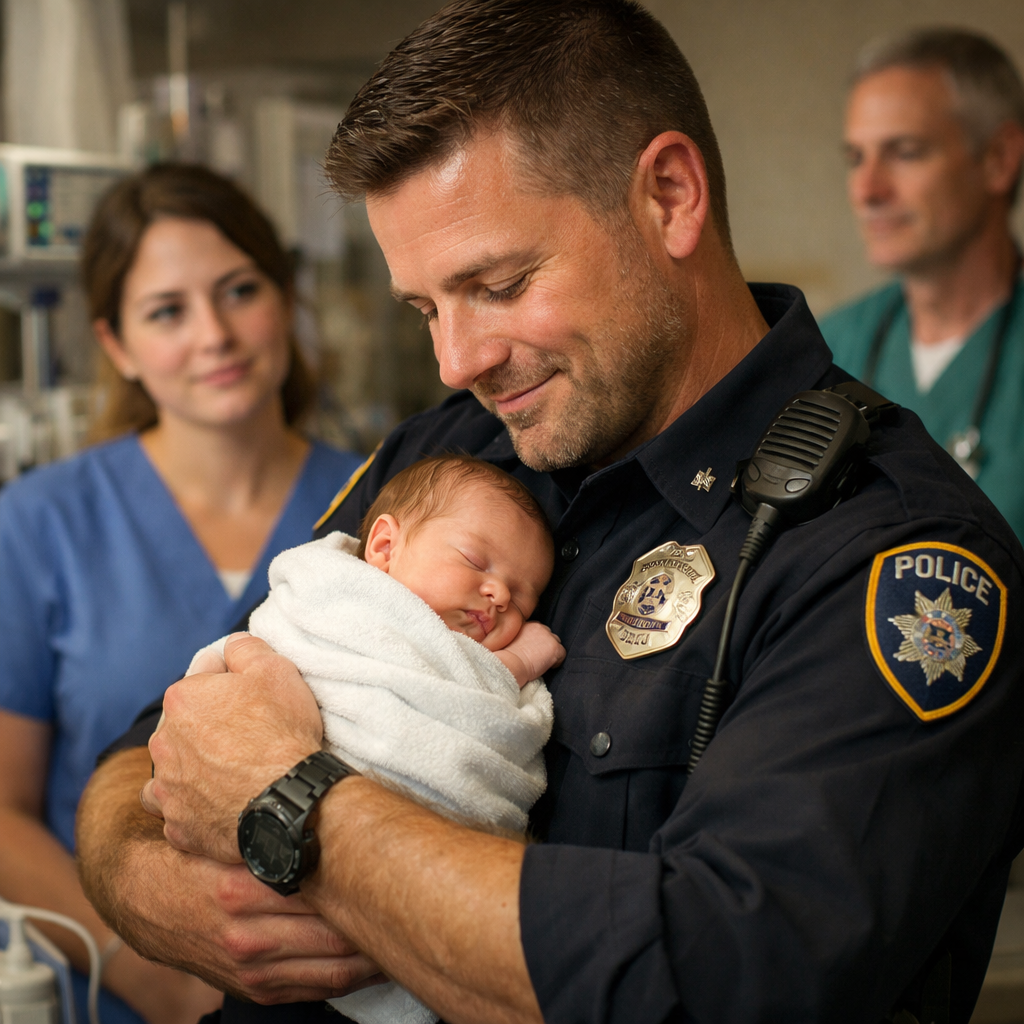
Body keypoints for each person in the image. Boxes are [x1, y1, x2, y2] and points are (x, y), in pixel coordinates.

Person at [77, 4, 1024, 1023]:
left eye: (498, 284)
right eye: (425, 309)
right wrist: (162, 889)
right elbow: (155, 746)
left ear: (669, 196)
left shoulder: (892, 556)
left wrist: (293, 810)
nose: (457, 360)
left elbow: (717, 974)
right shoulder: (450, 450)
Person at [0, 164, 362, 1024]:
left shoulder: (380, 507)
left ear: (285, 297)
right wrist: (150, 973)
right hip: (114, 994)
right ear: (118, 345)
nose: (215, 335)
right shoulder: (37, 525)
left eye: (239, 291)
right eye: (167, 311)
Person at [189, 455, 562, 1024]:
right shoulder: (330, 601)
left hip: (413, 880)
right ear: (385, 548)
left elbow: (473, 705)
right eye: (475, 562)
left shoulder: (463, 654)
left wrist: (507, 666)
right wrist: (523, 658)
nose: (500, 596)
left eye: (523, 597)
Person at [820, 29, 1024, 540]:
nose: (868, 190)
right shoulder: (827, 346)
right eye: (856, 158)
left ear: (999, 158)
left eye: (905, 152)